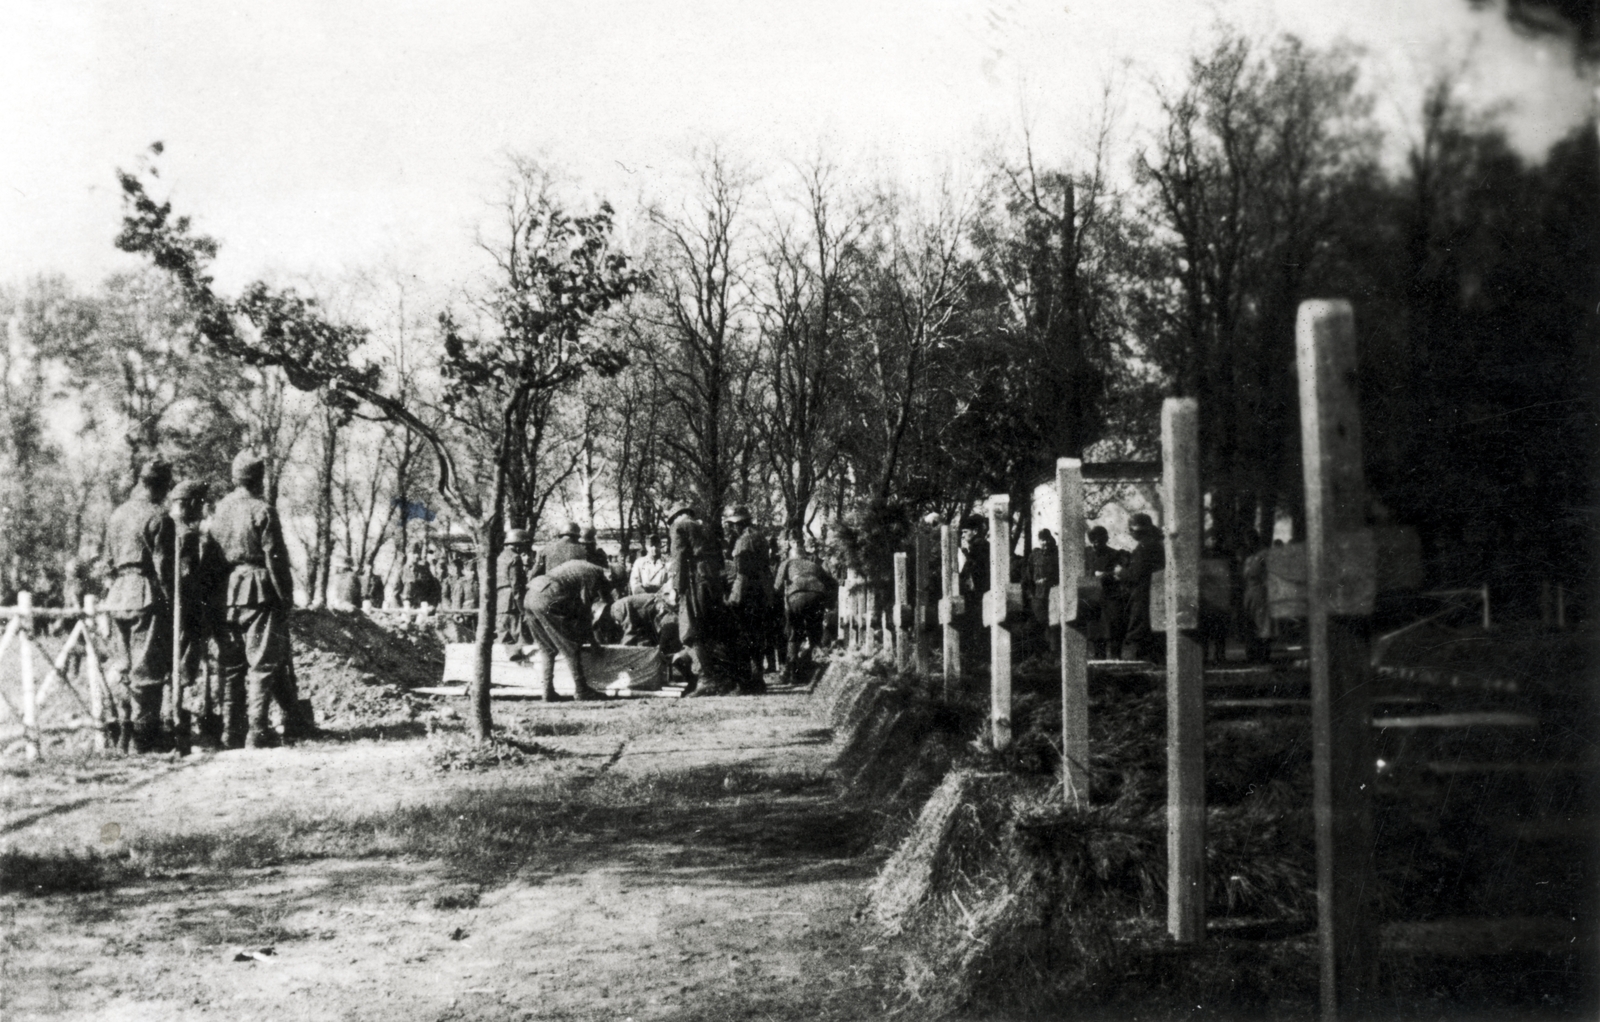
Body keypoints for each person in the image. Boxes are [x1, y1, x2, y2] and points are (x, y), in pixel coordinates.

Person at [210, 451, 299, 749]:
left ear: (235, 478)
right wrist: (285, 596)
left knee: (233, 665)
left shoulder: (219, 511)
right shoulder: (263, 510)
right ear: (259, 479)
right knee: (262, 662)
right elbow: (275, 557)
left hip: (226, 592)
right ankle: (257, 730)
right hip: (259, 589)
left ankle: (230, 731)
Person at [104, 459, 175, 752]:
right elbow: (164, 567)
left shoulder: (117, 515)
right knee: (147, 669)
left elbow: (107, 563)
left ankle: (120, 733)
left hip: (118, 595)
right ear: (160, 485)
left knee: (121, 667)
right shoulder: (159, 516)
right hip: (145, 594)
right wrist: (171, 599)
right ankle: (144, 739)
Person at [664, 501, 740, 696]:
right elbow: (721, 560)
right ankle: (724, 678)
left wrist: (676, 589)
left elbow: (679, 560)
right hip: (712, 585)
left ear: (674, 517)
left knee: (692, 630)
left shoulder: (679, 527)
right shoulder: (705, 526)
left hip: (693, 584)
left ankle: (707, 679)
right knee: (712, 630)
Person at [522, 558, 616, 701]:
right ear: (609, 577)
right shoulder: (595, 573)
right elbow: (585, 611)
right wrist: (593, 641)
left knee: (547, 648)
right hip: (549, 596)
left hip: (530, 596)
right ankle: (582, 690)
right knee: (571, 646)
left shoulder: (584, 566)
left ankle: (547, 691)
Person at [166, 479, 215, 753]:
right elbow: (186, 577)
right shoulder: (186, 534)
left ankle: (171, 717)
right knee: (183, 664)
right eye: (200, 504)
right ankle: (177, 721)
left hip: (163, 608)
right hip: (184, 610)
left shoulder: (165, 526)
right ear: (191, 504)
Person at [773, 535, 838, 684]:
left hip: (796, 596)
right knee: (813, 632)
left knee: (794, 634)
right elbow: (832, 583)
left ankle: (791, 673)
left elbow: (776, 586)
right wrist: (830, 603)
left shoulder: (787, 562)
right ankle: (809, 670)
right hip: (817, 595)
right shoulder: (814, 565)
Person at [724, 505, 771, 692]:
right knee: (757, 638)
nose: (729, 528)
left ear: (736, 524)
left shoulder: (744, 541)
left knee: (743, 637)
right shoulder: (759, 537)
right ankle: (758, 679)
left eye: (730, 525)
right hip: (762, 593)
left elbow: (742, 572)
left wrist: (733, 598)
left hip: (748, 595)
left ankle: (745, 682)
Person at [1119, 512, 1165, 663]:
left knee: (1138, 631)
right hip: (1155, 592)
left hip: (1144, 594)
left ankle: (1136, 664)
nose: (1131, 533)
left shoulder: (1145, 547)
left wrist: (1121, 573)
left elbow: (1137, 574)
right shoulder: (1156, 543)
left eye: (1132, 530)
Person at [1084, 526, 1130, 659]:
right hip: (1092, 597)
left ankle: (1116, 658)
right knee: (1096, 630)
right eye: (1093, 541)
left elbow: (1120, 573)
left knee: (1114, 628)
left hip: (1110, 596)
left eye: (1099, 541)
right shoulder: (1086, 554)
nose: (1096, 544)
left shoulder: (1114, 554)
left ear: (1106, 540)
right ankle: (1099, 659)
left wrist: (1106, 575)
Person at [1025, 529, 1060, 655]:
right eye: (1042, 540)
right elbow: (1028, 575)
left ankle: (1054, 653)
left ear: (1050, 539)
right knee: (1039, 623)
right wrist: (1031, 593)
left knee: (1054, 624)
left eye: (1046, 539)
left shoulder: (1057, 553)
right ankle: (1040, 654)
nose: (1044, 542)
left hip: (1053, 594)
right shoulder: (1035, 554)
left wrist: (1049, 580)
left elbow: (1060, 573)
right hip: (1038, 596)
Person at [1241, 531, 1273, 664]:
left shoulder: (1263, 555)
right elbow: (1245, 576)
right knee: (1250, 622)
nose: (1248, 544)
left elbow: (1268, 573)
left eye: (1250, 540)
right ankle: (1252, 654)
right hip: (1249, 593)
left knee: (1262, 623)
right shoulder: (1249, 558)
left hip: (1260, 592)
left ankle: (1263, 655)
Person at [496, 530, 532, 648]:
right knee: (520, 637)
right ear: (517, 545)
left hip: (500, 602)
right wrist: (522, 608)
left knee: (504, 639)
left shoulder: (500, 557)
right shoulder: (515, 558)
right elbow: (516, 585)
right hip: (512, 603)